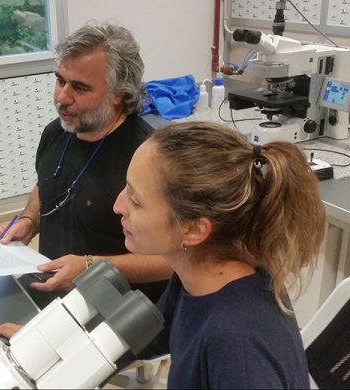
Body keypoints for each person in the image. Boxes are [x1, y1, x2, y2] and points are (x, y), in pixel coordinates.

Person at [109, 121, 323, 388]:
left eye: (135, 199)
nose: (118, 206)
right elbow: (147, 337)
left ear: (194, 229)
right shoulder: (193, 277)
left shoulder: (238, 344)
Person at [0, 22, 171, 302]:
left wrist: (90, 267)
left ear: (118, 95)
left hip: (116, 316)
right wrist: (29, 220)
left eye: (79, 87)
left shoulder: (149, 158)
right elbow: (47, 183)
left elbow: (169, 262)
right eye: (60, 80)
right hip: (54, 296)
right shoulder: (57, 131)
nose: (62, 97)